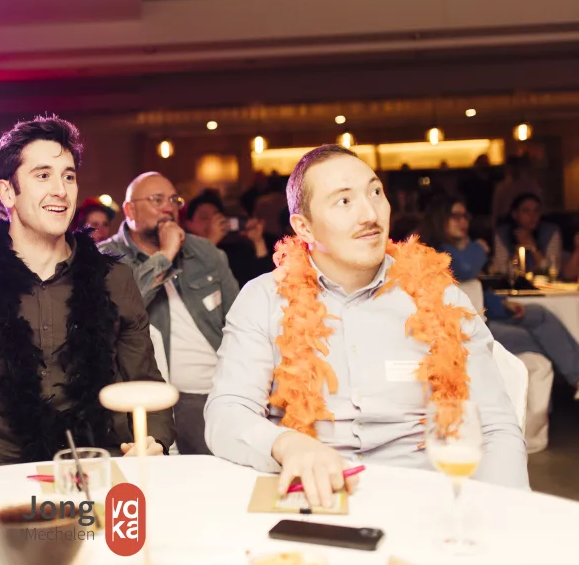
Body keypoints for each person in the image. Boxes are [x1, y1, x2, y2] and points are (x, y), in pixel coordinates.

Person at [206, 145, 527, 509]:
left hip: (422, 500)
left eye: (375, 192)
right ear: (304, 227)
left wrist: (504, 514)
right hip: (313, 499)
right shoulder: (263, 299)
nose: (370, 214)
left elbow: (495, 427)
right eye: (344, 201)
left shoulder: (441, 296)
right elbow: (226, 414)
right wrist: (287, 444)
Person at [0, 116, 174, 473]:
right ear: (6, 191)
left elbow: (146, 381)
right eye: (43, 175)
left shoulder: (115, 279)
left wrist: (154, 441)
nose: (61, 190)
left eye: (68, 176)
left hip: (93, 468)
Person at [99, 174, 239, 455]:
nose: (168, 208)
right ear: (130, 210)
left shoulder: (204, 252)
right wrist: (165, 255)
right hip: (151, 396)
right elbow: (119, 312)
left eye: (174, 200)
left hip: (218, 389)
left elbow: (238, 322)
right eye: (157, 200)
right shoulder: (105, 257)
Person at [420, 194, 579, 396]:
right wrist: (478, 248)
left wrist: (503, 304)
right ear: (440, 218)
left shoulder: (463, 248)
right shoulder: (433, 253)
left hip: (481, 316)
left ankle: (577, 376)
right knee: (532, 338)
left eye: (465, 216)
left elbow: (471, 290)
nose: (463, 222)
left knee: (539, 313)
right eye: (456, 216)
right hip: (463, 329)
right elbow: (464, 269)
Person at [183, 189, 276, 286]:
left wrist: (258, 242)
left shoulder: (234, 252)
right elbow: (192, 280)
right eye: (204, 217)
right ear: (188, 224)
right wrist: (212, 240)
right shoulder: (183, 253)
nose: (211, 223)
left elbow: (265, 283)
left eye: (216, 217)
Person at [491, 192, 562, 276]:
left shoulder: (550, 232)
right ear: (515, 214)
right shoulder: (503, 233)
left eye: (536, 211)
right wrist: (518, 251)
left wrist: (533, 248)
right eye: (526, 211)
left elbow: (553, 269)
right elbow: (501, 270)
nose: (532, 216)